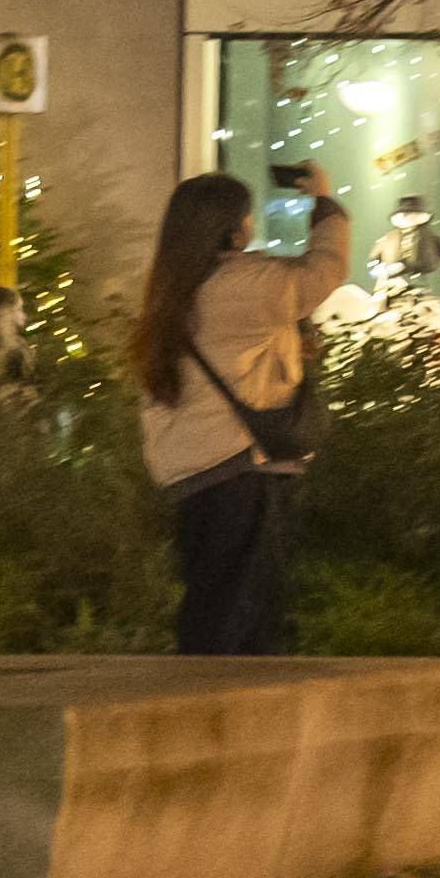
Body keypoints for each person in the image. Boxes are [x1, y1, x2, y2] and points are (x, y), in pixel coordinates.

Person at [127, 170, 332, 655]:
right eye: (246, 217)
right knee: (239, 621)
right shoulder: (238, 284)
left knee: (216, 606)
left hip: (198, 474)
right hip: (236, 470)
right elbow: (323, 272)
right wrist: (324, 204)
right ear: (232, 230)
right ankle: (215, 700)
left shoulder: (177, 288)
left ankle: (210, 694)